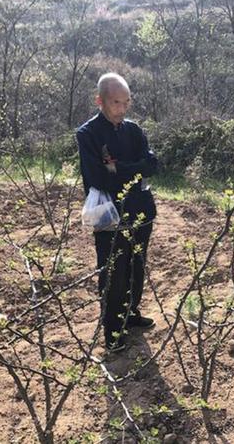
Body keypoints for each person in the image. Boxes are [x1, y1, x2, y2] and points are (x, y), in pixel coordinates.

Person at [77, 73, 158, 352]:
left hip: (140, 211)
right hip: (108, 215)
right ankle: (112, 331)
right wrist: (133, 167)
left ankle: (131, 314)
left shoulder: (133, 130)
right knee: (113, 271)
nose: (122, 108)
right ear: (100, 101)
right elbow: (99, 178)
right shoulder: (87, 135)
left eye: (126, 102)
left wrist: (120, 166)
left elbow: (152, 165)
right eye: (115, 102)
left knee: (137, 266)